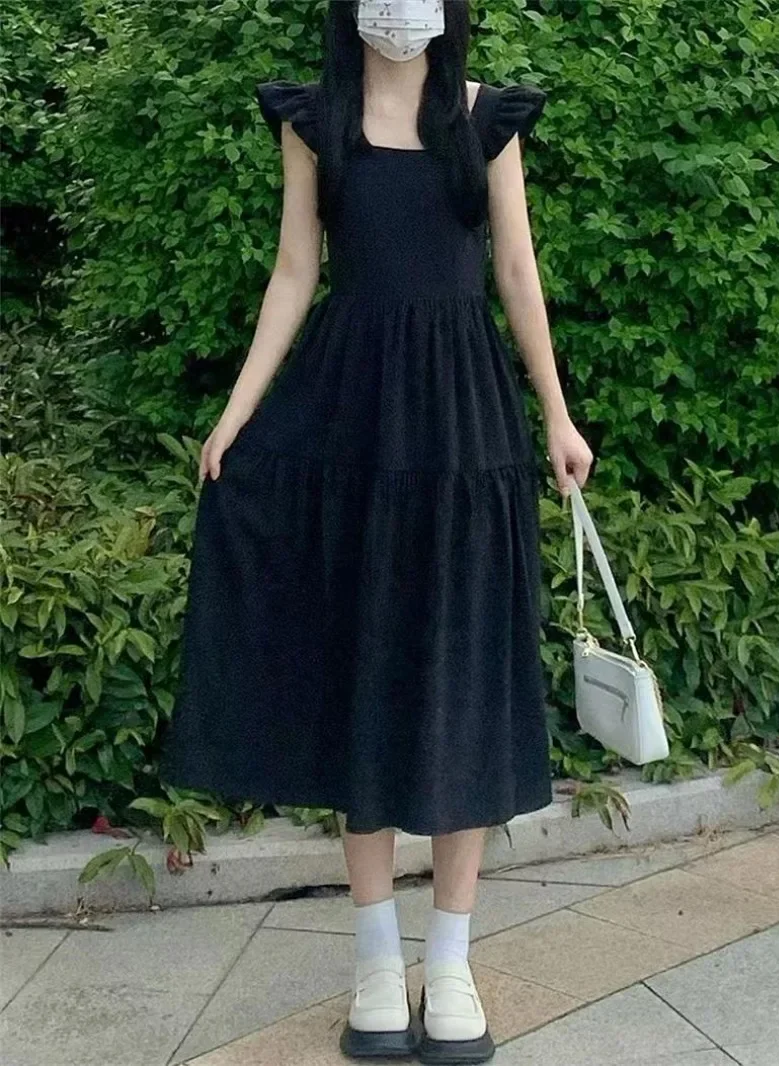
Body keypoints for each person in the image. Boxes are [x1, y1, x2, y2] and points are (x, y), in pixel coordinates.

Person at [158, 0, 592, 1061]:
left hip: (463, 422)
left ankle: (451, 961)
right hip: (350, 416)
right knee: (362, 672)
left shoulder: (485, 118)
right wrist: (238, 413)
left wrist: (556, 413)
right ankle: (373, 961)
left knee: (457, 677)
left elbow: (516, 268)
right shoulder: (314, 121)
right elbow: (293, 271)